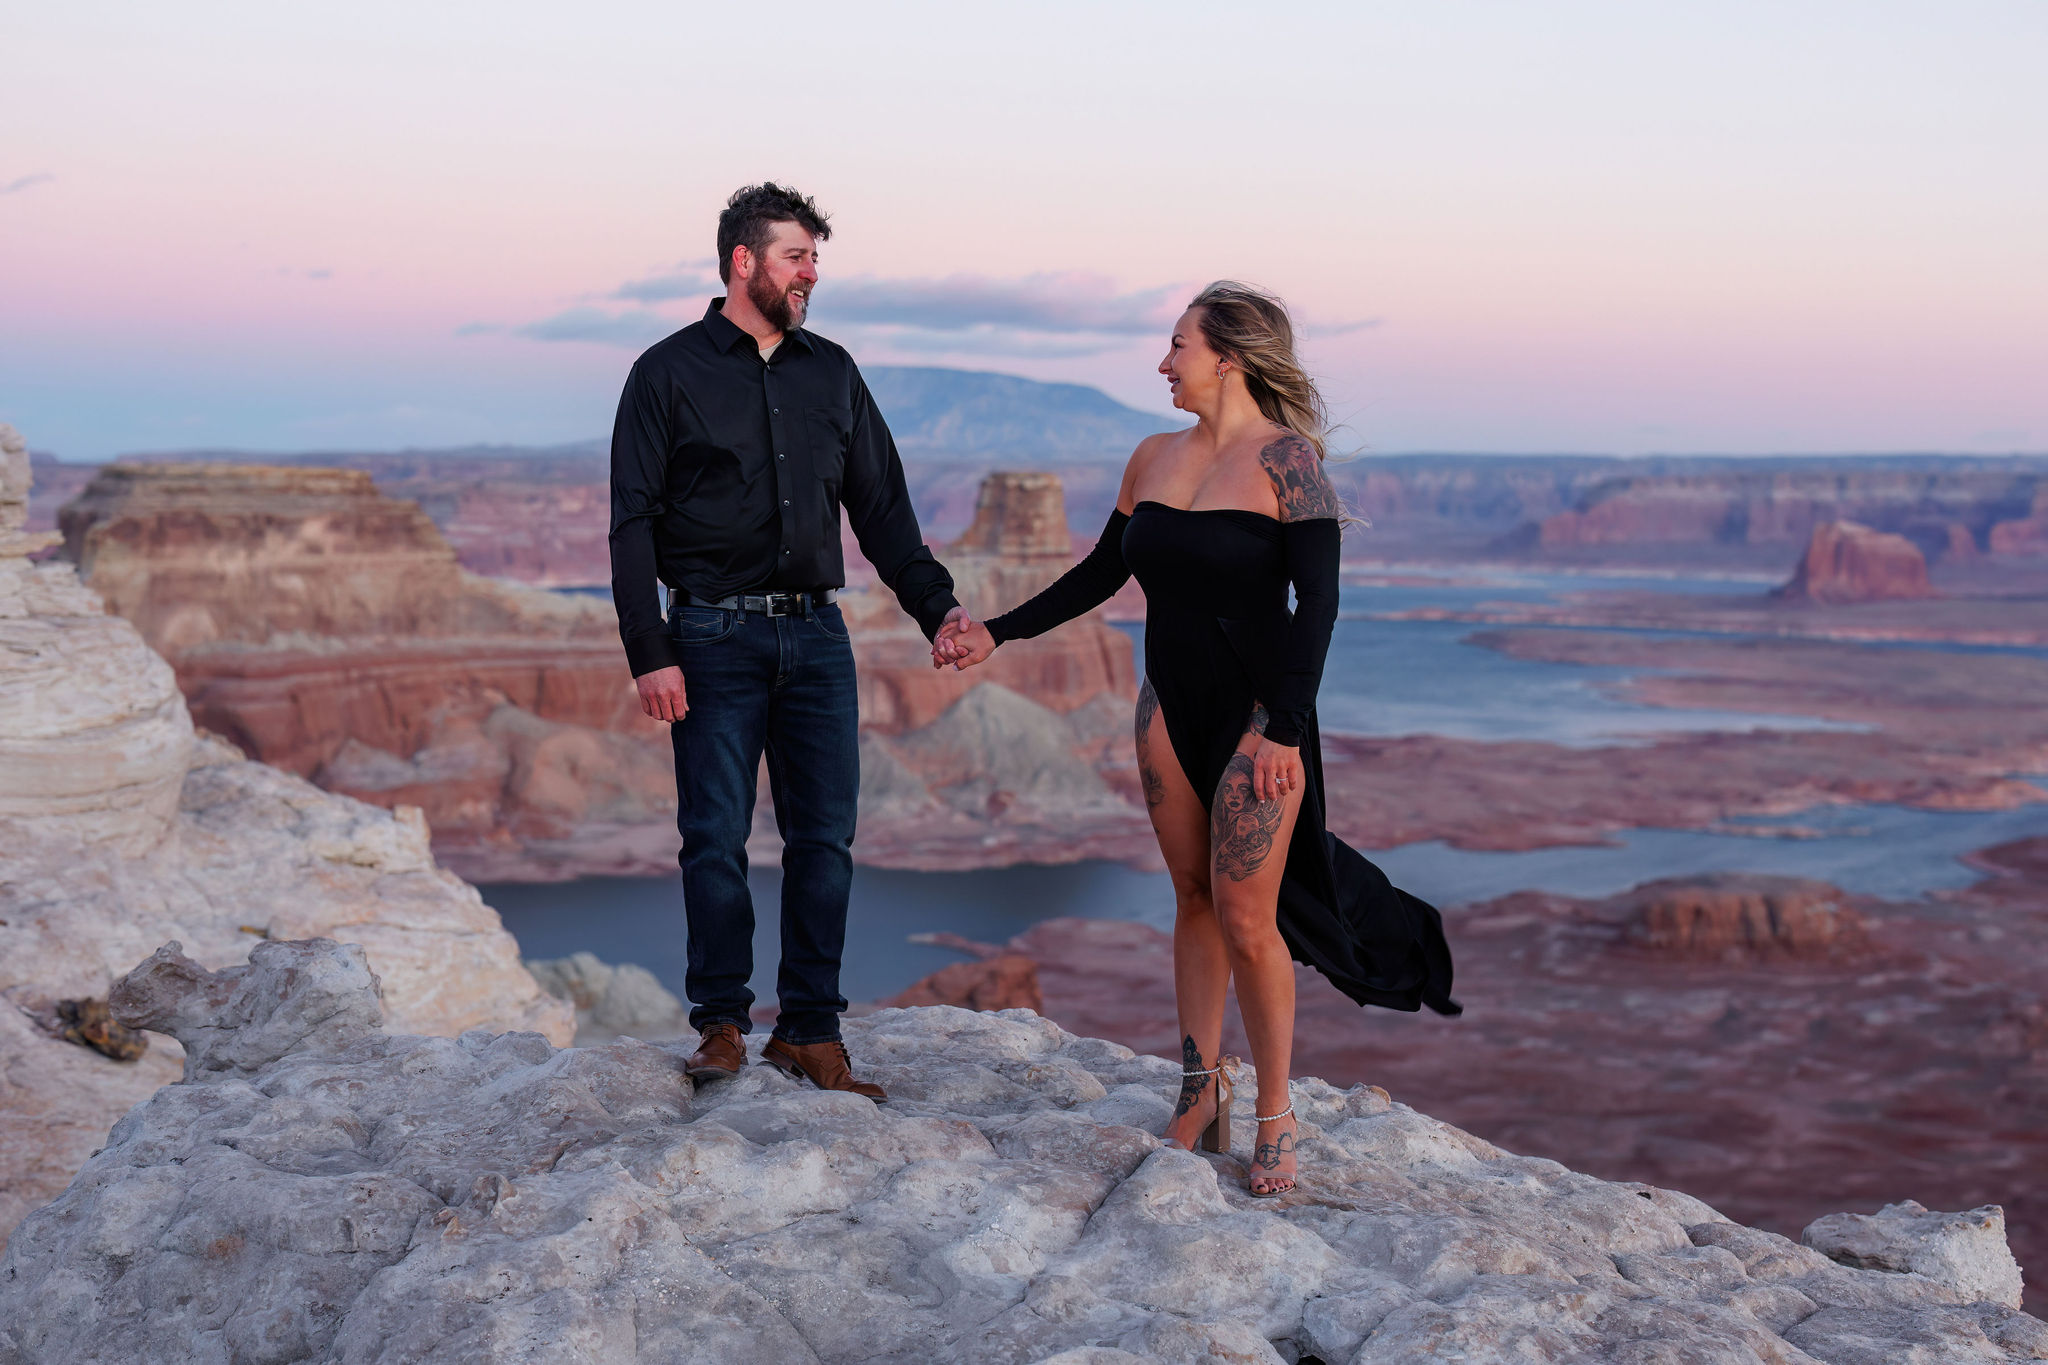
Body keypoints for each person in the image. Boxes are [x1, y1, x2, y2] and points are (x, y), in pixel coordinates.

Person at [936, 282, 1459, 1195]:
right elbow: (1100, 573)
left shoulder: (1289, 462)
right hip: (1167, 706)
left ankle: (1276, 1115)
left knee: (1253, 916)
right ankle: (1199, 1091)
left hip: (1260, 720)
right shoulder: (1151, 457)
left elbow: (1318, 606)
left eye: (1177, 344)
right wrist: (998, 631)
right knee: (1192, 896)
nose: (1164, 361)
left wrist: (1284, 728)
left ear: (1229, 358)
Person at [609, 183, 976, 1101]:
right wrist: (649, 649)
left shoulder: (832, 372)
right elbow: (631, 527)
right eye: (797, 257)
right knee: (714, 838)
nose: (813, 273)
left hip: (815, 635)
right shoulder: (667, 372)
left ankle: (810, 1032)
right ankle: (723, 1025)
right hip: (709, 634)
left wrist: (941, 610)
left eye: (815, 258)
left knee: (826, 841)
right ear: (744, 261)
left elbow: (882, 509)